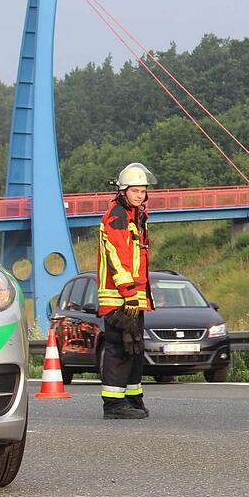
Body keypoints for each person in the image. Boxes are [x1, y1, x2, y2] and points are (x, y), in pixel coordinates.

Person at [97, 162, 157, 420]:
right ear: (123, 191)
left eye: (143, 191)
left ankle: (132, 398)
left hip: (134, 296)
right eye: (135, 191)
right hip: (120, 296)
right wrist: (128, 291)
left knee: (134, 347)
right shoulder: (118, 215)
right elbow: (116, 256)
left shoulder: (136, 216)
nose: (140, 195)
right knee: (119, 348)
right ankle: (113, 404)